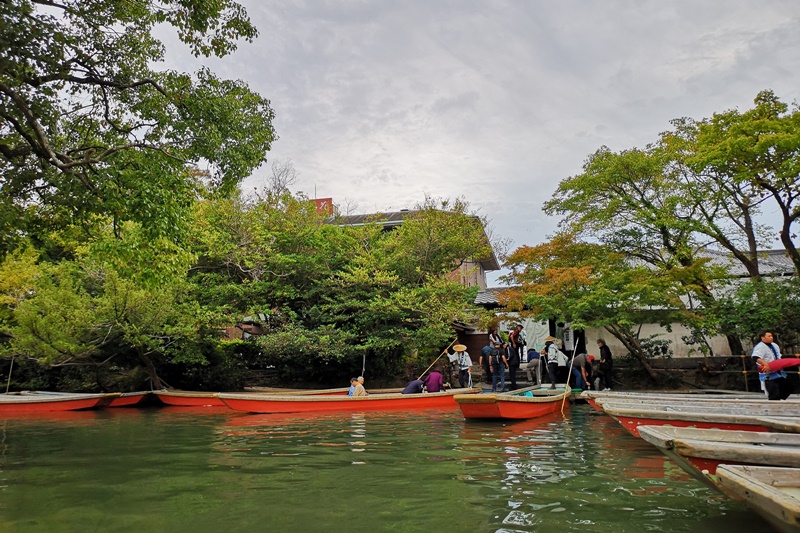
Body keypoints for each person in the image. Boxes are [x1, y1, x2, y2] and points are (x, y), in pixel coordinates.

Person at [752, 330, 792, 401]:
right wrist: (765, 364)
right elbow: (756, 357)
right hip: (768, 373)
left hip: (778, 370)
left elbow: (778, 356)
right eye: (769, 336)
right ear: (763, 338)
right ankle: (774, 404)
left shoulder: (774, 345)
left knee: (787, 387)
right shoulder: (760, 347)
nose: (771, 337)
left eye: (771, 336)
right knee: (773, 392)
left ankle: (781, 399)